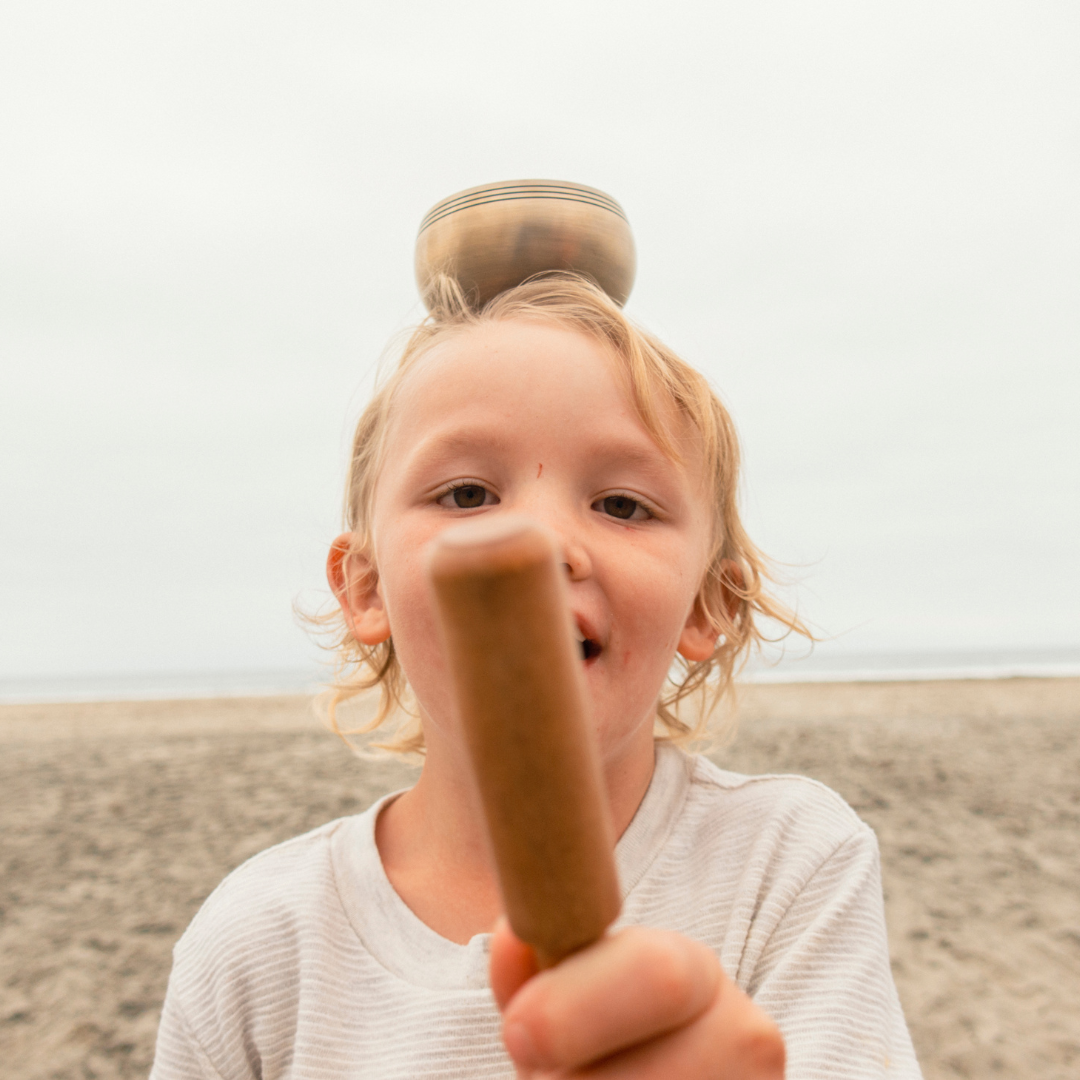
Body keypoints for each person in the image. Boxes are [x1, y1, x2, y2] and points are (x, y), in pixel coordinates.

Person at [150, 274, 922, 1079]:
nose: (539, 541)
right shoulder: (255, 941)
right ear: (368, 589)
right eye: (468, 493)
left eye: (622, 505)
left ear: (706, 604)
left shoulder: (786, 863)